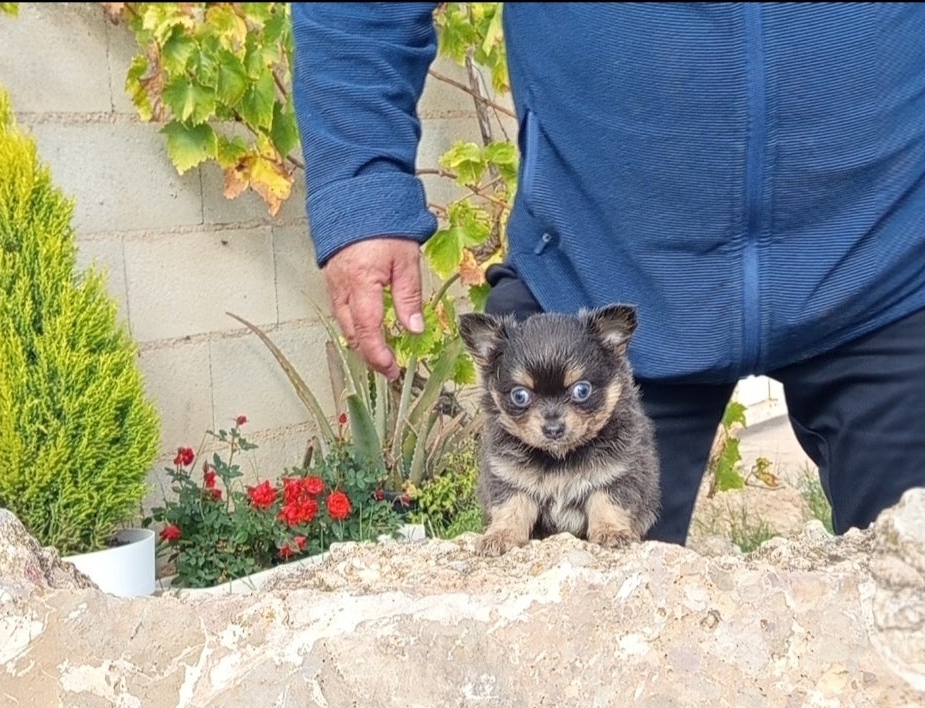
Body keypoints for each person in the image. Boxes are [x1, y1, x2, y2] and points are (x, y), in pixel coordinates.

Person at [290, 3, 925, 544]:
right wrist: (363, 187)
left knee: (911, 631)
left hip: (890, 264)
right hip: (589, 282)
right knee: (558, 653)